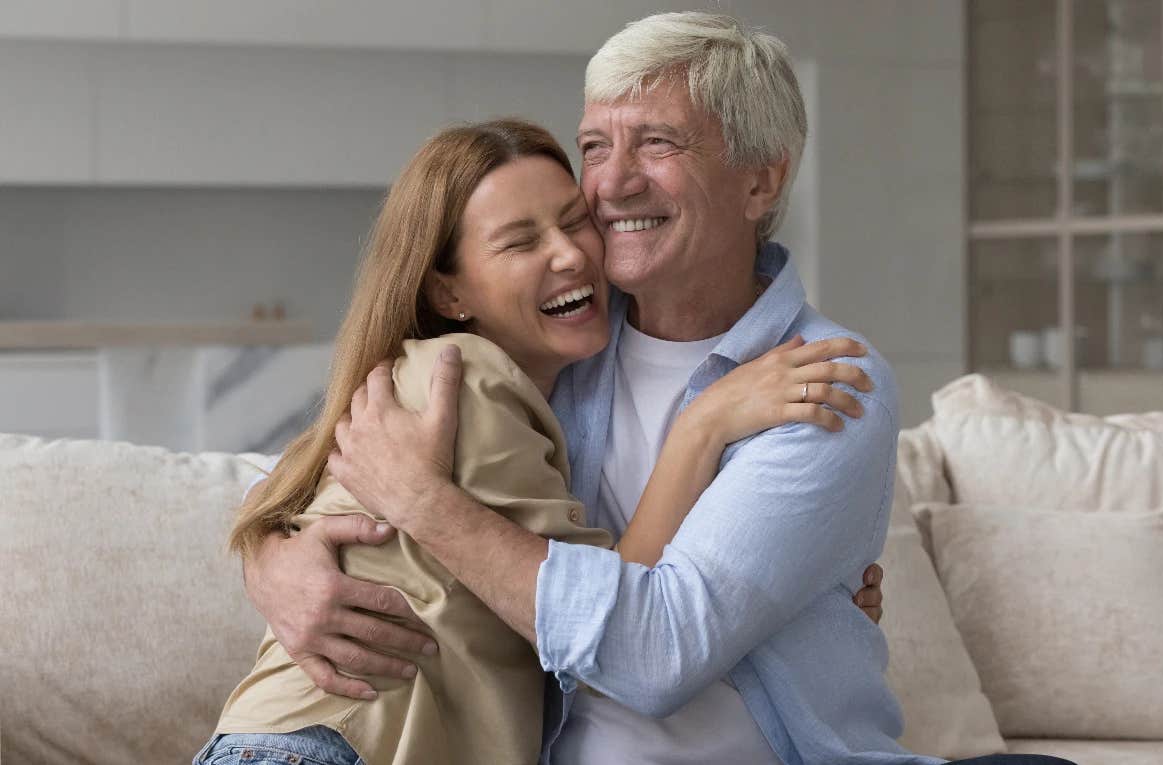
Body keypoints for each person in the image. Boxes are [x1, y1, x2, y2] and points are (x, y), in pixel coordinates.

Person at [245, 12, 1071, 765]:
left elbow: (653, 654)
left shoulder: (823, 379)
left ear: (761, 183)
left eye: (658, 143)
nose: (611, 183)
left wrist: (428, 505)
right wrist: (271, 559)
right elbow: (319, 486)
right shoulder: (553, 347)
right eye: (596, 145)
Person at [195, 120, 873, 765]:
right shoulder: (465, 383)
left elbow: (287, 482)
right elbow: (609, 636)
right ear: (448, 289)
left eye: (574, 221)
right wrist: (704, 425)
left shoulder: (468, 383)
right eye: (521, 242)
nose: (570, 253)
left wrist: (810, 611)